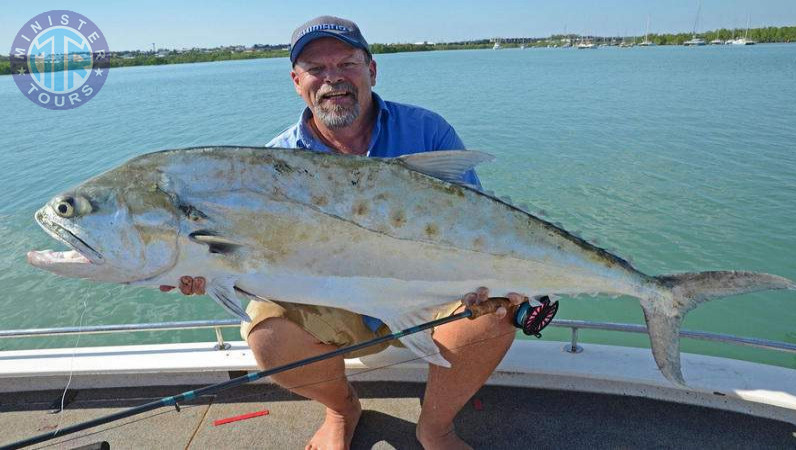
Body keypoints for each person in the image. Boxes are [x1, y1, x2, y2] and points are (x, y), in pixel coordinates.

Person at [161, 16, 526, 450]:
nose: (332, 78)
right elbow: (252, 258)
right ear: (297, 81)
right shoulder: (274, 163)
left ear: (371, 70)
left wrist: (500, 278)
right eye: (316, 68)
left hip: (427, 290)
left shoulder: (427, 131)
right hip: (332, 299)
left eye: (347, 64)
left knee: (499, 311)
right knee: (267, 336)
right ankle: (341, 409)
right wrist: (205, 271)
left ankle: (436, 426)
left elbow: (476, 220)